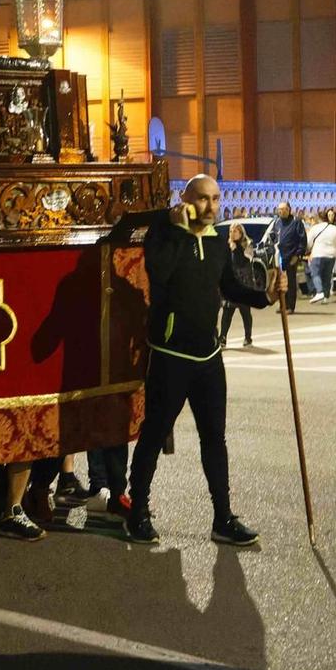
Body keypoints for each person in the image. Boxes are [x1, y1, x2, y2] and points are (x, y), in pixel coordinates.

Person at [124, 175, 282, 547]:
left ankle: (222, 518)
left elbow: (228, 285)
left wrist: (266, 297)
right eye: (203, 199)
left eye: (216, 199)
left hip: (209, 355)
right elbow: (160, 275)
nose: (212, 207)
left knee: (215, 438)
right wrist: (180, 231)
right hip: (171, 354)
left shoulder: (216, 241)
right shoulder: (162, 234)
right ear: (185, 199)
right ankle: (138, 512)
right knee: (154, 432)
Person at [218, 222, 260, 349]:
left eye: (235, 231)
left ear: (241, 233)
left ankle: (248, 338)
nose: (232, 234)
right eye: (231, 231)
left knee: (245, 312)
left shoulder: (247, 245)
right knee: (227, 312)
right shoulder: (227, 245)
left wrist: (235, 250)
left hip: (243, 283)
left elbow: (243, 262)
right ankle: (222, 338)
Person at [273, 201, 307, 313]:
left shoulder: (296, 222)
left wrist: (297, 255)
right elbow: (274, 237)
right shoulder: (277, 222)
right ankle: (283, 304)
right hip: (279, 257)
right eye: (279, 210)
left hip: (291, 257)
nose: (281, 211)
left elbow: (302, 240)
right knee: (280, 283)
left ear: (289, 210)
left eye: (283, 209)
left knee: (290, 283)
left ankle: (290, 306)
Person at [306, 211, 336, 305]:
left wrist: (307, 251)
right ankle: (326, 296)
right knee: (327, 276)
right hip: (331, 255)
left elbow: (308, 242)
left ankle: (319, 292)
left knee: (315, 273)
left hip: (318, 253)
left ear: (319, 218)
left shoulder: (315, 228)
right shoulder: (335, 229)